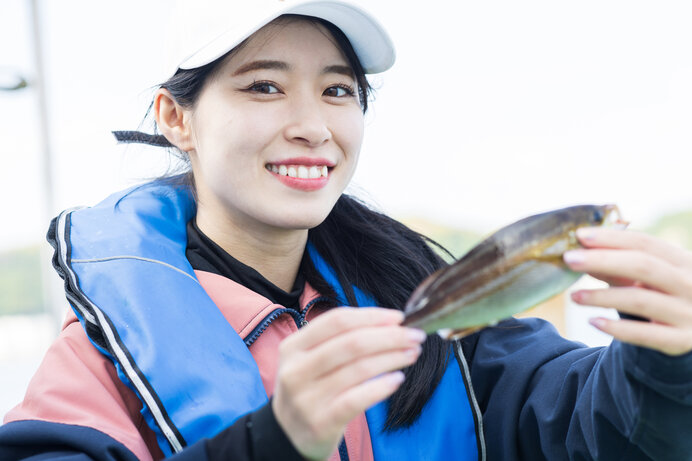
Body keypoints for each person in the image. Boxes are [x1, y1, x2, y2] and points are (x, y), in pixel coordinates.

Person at [1, 0, 691, 459]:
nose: (313, 125)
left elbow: (592, 430)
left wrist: (671, 363)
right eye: (263, 87)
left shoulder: (435, 306)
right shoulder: (96, 367)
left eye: (337, 90)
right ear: (176, 118)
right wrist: (274, 440)